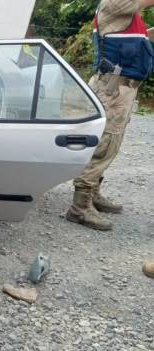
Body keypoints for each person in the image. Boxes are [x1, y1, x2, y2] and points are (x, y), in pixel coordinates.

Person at [66, 0, 154, 230]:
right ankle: (80, 206)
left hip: (123, 87)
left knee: (111, 143)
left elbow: (141, 40)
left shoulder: (129, 18)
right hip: (113, 86)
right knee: (103, 144)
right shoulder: (116, 2)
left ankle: (92, 193)